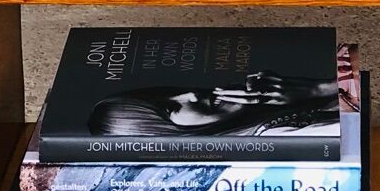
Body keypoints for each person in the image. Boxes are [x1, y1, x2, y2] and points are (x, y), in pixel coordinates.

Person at [89, 68, 341, 142]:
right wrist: (322, 87)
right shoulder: (276, 136)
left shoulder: (273, 113)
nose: (191, 94)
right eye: (170, 109)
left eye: (170, 94)